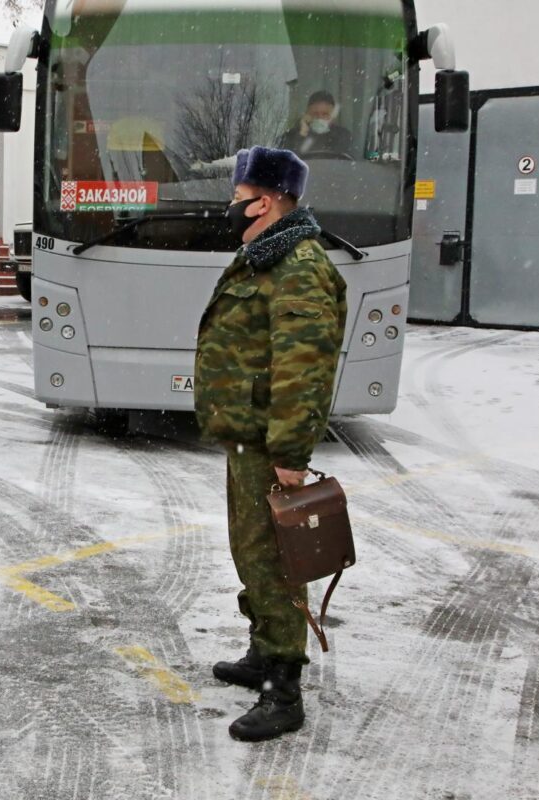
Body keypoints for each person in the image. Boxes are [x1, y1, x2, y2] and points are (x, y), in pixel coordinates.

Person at [195, 145, 347, 742]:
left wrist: (290, 456)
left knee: (275, 563)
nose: (230, 210)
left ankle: (284, 689)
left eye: (238, 200)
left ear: (269, 200)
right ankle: (264, 653)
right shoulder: (264, 257)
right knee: (251, 554)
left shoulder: (298, 266)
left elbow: (303, 369)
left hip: (267, 446)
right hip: (246, 440)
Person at [279, 90, 354, 159]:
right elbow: (287, 163)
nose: (319, 118)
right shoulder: (289, 137)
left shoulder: (343, 136)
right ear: (307, 114)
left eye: (325, 114)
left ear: (333, 116)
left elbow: (345, 164)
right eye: (315, 114)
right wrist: (301, 135)